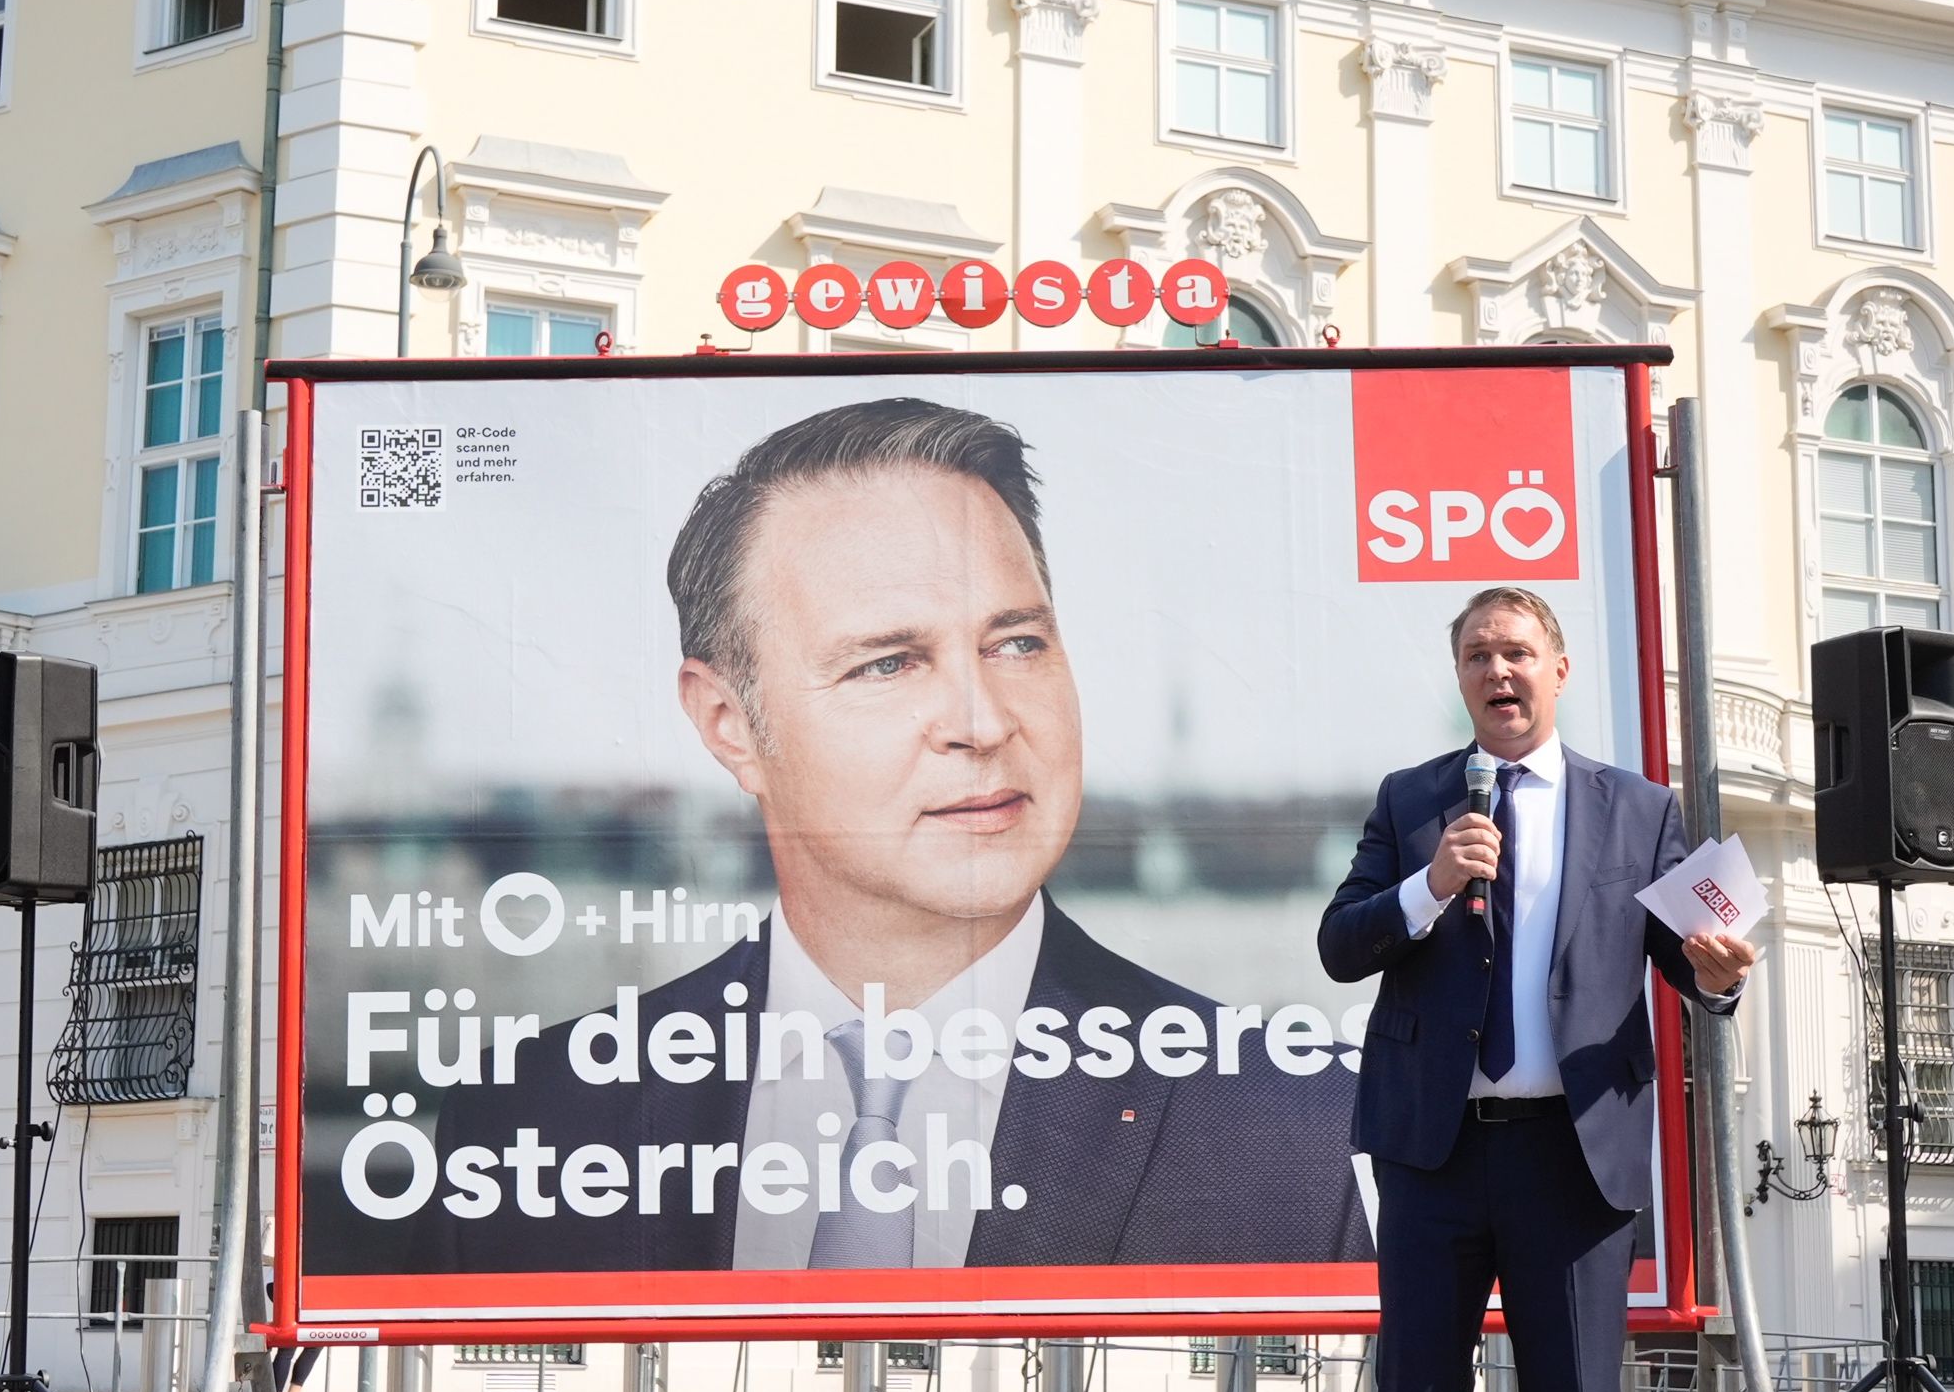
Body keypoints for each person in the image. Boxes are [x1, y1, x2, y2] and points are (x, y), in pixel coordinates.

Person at [424, 396, 1365, 1274]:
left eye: (1016, 644)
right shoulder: (529, 1109)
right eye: (887, 664)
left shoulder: (1293, 1119)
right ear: (727, 723)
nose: (983, 722)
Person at [1317, 586, 1754, 1392]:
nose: (1498, 671)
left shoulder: (1639, 811)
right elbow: (1341, 942)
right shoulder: (1414, 802)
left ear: (1559, 669)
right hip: (1433, 1156)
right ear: (1459, 677)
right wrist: (1430, 884)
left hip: (1571, 1159)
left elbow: (1689, 966)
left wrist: (1717, 975)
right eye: (1476, 655)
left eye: (1518, 651)